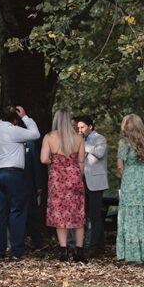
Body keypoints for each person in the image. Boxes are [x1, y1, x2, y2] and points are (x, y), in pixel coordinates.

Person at [0, 105, 39, 260]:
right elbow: (35, 133)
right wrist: (26, 117)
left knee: (0, 212)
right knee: (17, 211)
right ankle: (16, 251)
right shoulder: (13, 129)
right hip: (13, 174)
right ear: (15, 119)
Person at [41, 109, 86, 263]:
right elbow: (81, 161)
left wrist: (56, 161)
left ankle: (64, 251)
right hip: (74, 176)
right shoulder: (78, 138)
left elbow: (43, 159)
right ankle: (79, 252)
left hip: (57, 178)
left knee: (60, 214)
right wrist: (75, 173)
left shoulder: (49, 137)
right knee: (77, 213)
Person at [116, 115, 144, 263]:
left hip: (130, 181)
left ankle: (133, 256)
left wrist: (127, 176)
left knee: (131, 215)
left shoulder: (124, 142)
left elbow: (120, 166)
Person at [76, 115, 108, 255]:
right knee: (88, 214)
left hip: (95, 182)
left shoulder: (99, 138)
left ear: (90, 127)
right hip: (82, 181)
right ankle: (100, 245)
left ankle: (93, 247)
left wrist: (83, 144)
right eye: (78, 128)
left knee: (95, 215)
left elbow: (100, 153)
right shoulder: (80, 140)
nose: (80, 130)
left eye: (82, 127)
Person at [24, 138, 44, 251]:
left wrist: (38, 185)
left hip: (29, 184)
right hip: (13, 183)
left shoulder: (30, 144)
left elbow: (36, 165)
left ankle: (37, 241)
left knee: (31, 213)